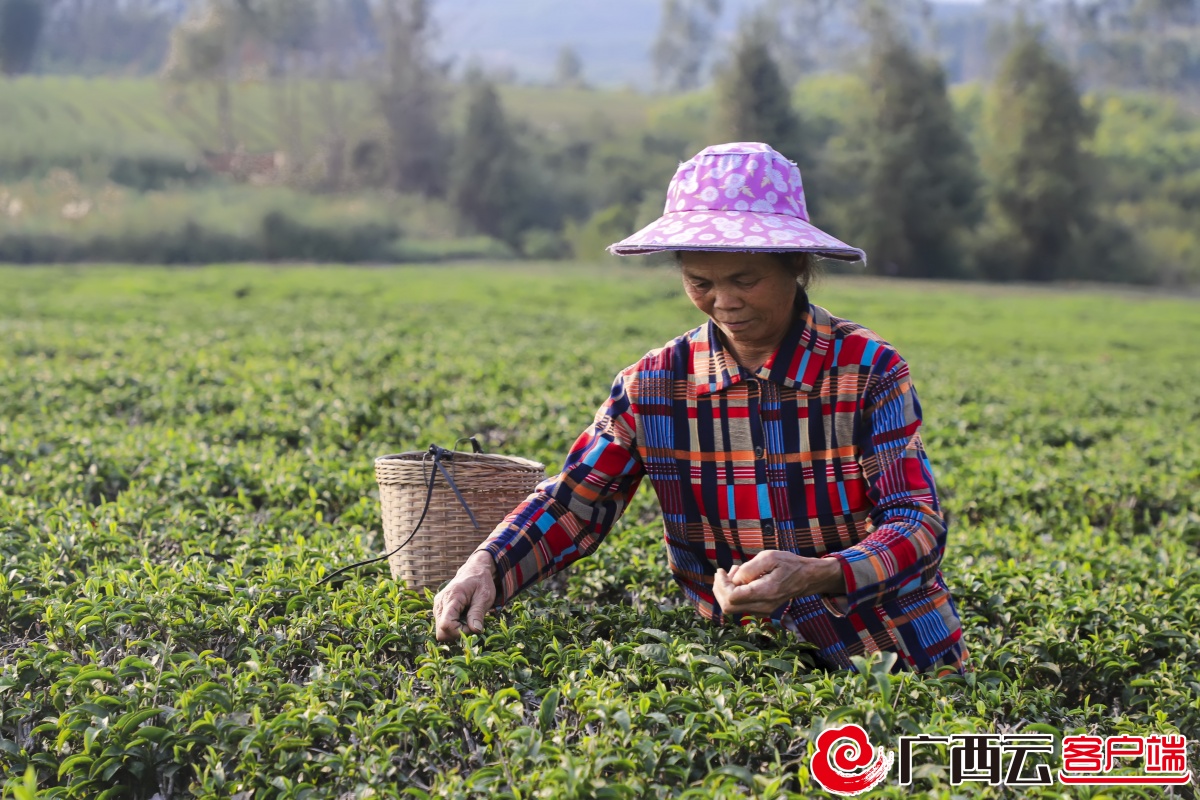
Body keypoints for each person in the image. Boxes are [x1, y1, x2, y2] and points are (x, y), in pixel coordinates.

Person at [433, 142, 968, 675]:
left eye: (745, 281)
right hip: (748, 667)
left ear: (796, 267)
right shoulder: (653, 385)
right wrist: (488, 565)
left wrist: (818, 572)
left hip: (893, 656)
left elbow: (916, 523)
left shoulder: (867, 370)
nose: (724, 303)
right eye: (701, 283)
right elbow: (575, 505)